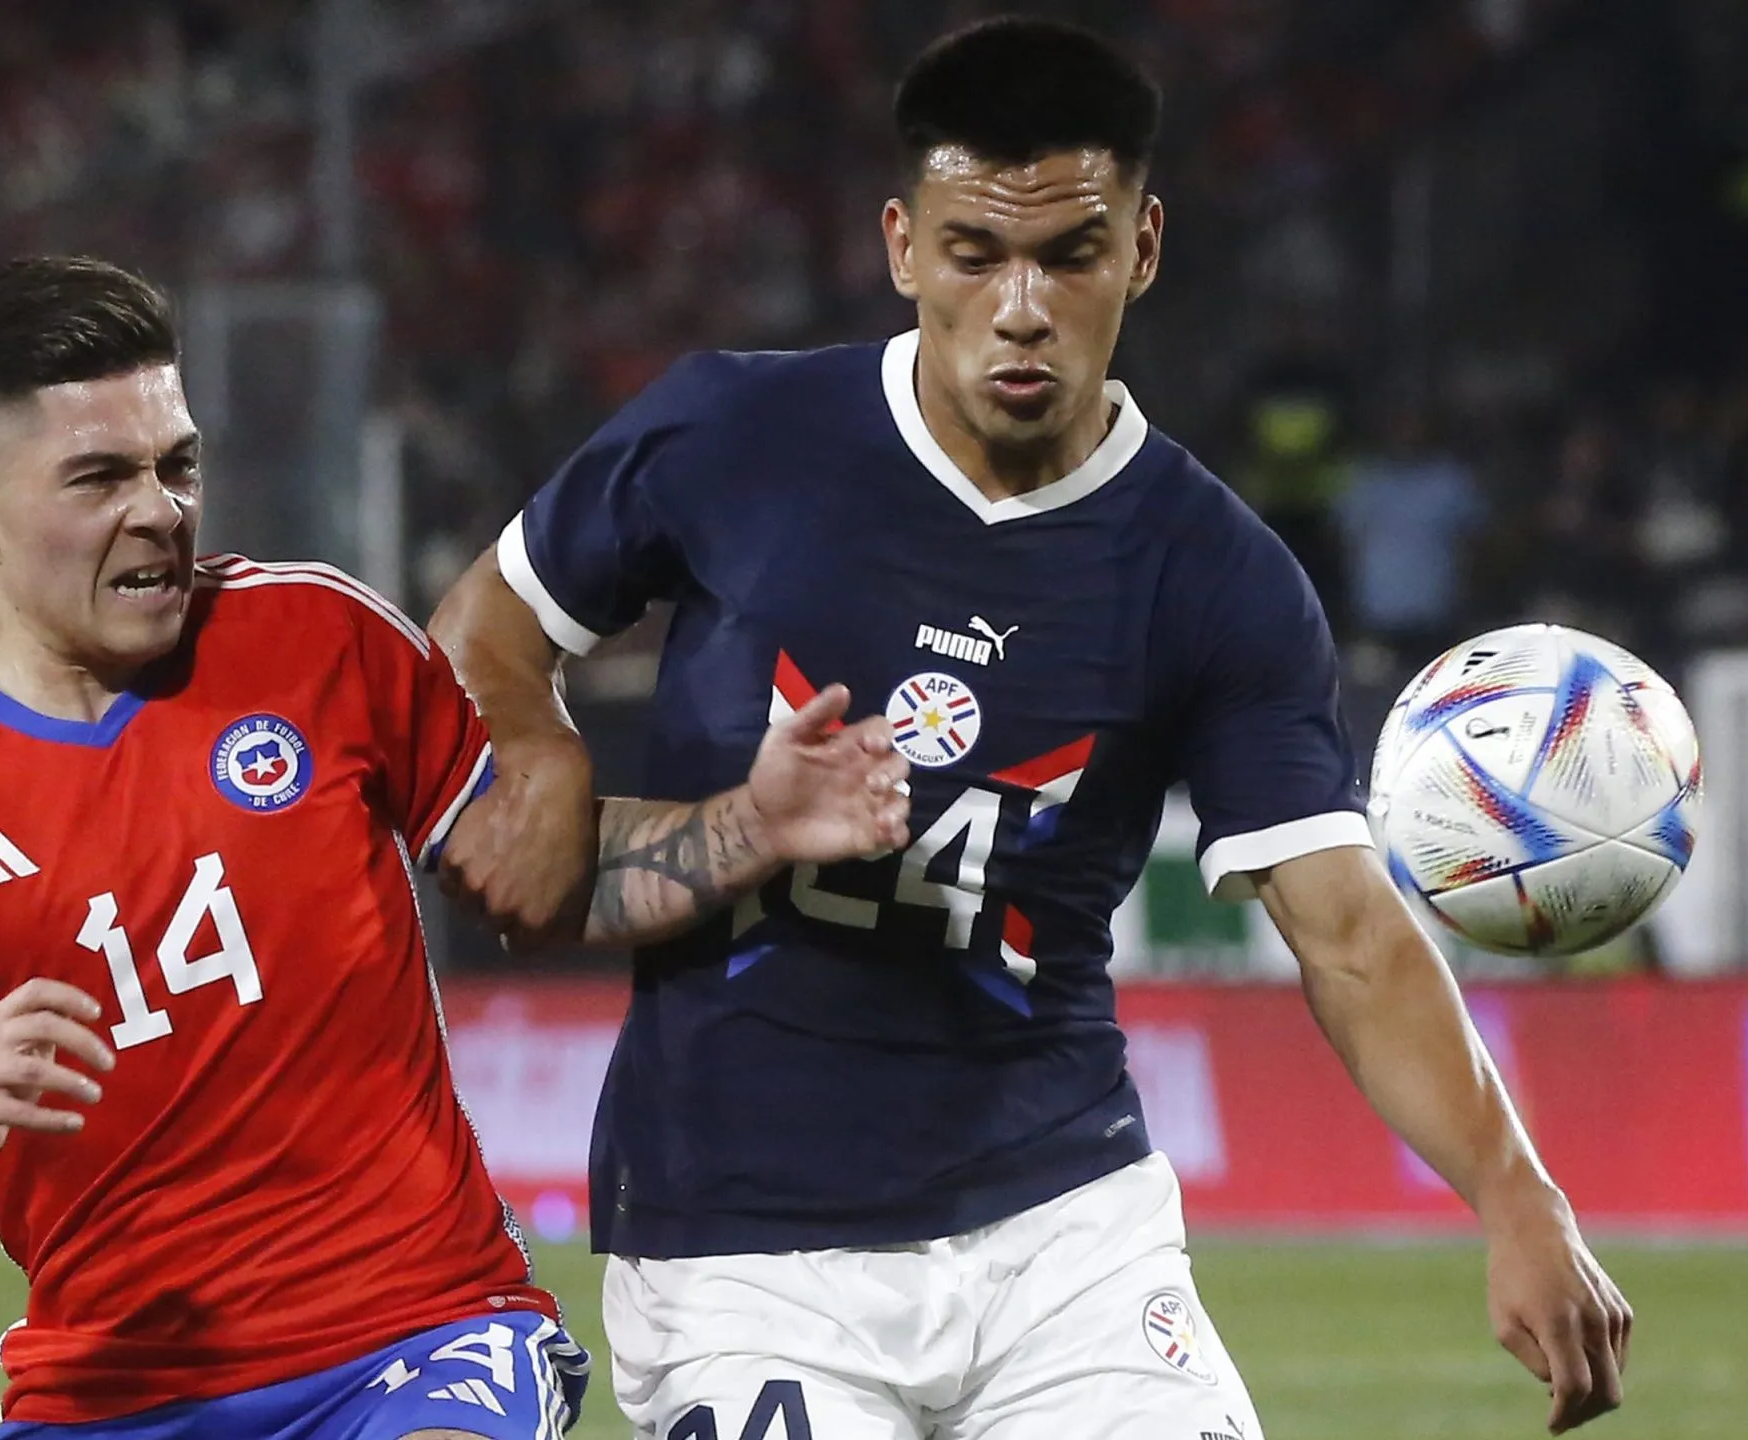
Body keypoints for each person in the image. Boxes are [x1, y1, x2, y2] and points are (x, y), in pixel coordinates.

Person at [431, 18, 1632, 1440]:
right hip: (741, 1245)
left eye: (1069, 255)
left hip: (1066, 1230)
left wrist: (1515, 1191)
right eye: (973, 254)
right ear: (900, 247)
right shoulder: (731, 435)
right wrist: (541, 752)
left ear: (1143, 248)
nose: (1019, 308)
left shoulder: (1217, 576)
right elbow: (482, 638)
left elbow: (1349, 934)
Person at [0, 256, 908, 1439]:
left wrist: (754, 825)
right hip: (107, 1394)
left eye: (176, 464)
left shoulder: (319, 637)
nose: (159, 510)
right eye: (98, 478)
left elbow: (545, 883)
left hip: (418, 1335)